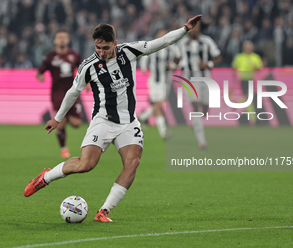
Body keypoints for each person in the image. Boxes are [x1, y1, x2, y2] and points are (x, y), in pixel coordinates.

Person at [24, 15, 203, 222]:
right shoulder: (88, 66)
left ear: (115, 44)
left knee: (132, 162)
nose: (101, 52)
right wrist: (57, 118)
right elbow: (73, 92)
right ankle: (45, 177)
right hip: (103, 120)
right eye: (98, 47)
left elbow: (160, 43)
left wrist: (184, 29)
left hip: (128, 122)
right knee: (86, 165)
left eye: (106, 48)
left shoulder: (129, 51)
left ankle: (104, 211)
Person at [36, 29, 83, 158]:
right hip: (57, 92)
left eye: (64, 37)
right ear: (55, 41)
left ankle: (65, 117)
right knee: (60, 122)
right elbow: (39, 72)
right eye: (59, 37)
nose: (62, 39)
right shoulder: (50, 57)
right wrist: (40, 77)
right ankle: (63, 148)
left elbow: (83, 69)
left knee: (76, 123)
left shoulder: (74, 55)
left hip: (72, 91)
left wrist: (88, 83)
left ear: (68, 40)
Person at [178, 22, 222, 150]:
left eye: (197, 27)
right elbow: (176, 58)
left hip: (205, 79)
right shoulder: (182, 43)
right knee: (196, 107)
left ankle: (196, 124)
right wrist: (174, 65)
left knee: (205, 110)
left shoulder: (207, 41)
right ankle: (202, 142)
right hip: (189, 79)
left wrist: (208, 64)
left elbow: (218, 57)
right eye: (192, 27)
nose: (194, 30)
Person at [138, 29, 181, 139]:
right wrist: (143, 66)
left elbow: (178, 59)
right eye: (160, 34)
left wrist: (173, 66)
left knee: (157, 106)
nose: (162, 36)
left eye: (164, 34)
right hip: (154, 81)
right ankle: (163, 133)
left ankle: (142, 117)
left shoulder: (172, 48)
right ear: (157, 35)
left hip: (165, 82)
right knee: (158, 106)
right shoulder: (153, 46)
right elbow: (144, 55)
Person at [231, 40, 263, 124]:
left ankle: (237, 104)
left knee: (249, 99)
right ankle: (253, 119)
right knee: (249, 99)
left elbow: (259, 68)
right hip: (243, 80)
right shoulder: (239, 57)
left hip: (251, 80)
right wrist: (234, 79)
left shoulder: (255, 57)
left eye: (249, 47)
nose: (247, 49)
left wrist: (255, 67)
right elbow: (234, 67)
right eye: (246, 47)